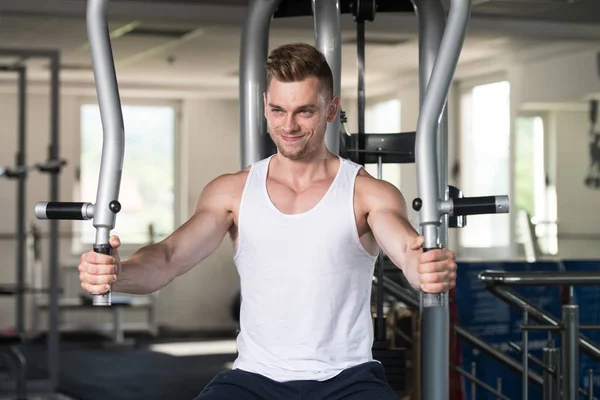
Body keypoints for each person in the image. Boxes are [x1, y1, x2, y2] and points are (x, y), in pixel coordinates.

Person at [78, 43, 457, 400]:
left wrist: (423, 267)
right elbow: (168, 257)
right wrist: (117, 273)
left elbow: (407, 250)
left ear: (330, 108)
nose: (288, 125)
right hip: (254, 380)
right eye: (278, 110)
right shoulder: (231, 192)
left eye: (304, 111)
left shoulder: (368, 193)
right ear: (264, 105)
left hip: (347, 379)